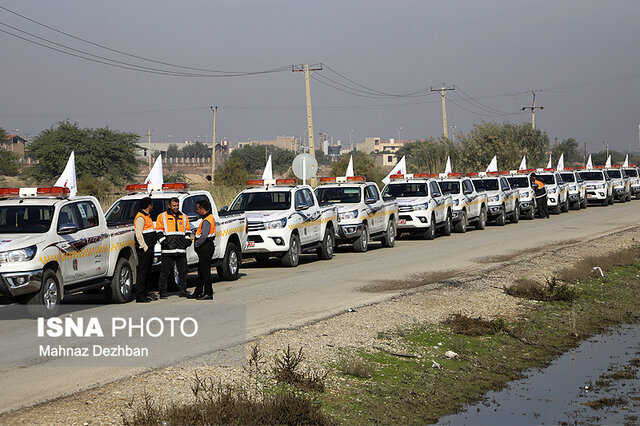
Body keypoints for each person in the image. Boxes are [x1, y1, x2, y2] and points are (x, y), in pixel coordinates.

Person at [156, 197, 192, 298]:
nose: (176, 207)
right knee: (164, 272)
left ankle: (183, 290)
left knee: (183, 271)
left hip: (181, 249)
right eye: (174, 206)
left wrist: (187, 241)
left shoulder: (184, 217)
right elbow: (159, 231)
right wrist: (164, 243)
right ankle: (162, 292)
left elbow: (187, 231)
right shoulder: (162, 216)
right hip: (168, 250)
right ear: (169, 206)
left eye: (177, 206)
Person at [190, 199, 216, 300]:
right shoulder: (208, 218)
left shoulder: (207, 220)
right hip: (206, 246)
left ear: (202, 209)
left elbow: (204, 236)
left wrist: (197, 244)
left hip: (205, 247)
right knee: (201, 271)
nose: (197, 211)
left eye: (198, 209)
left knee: (205, 272)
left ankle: (208, 293)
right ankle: (198, 291)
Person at [133, 197, 157, 303]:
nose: (152, 206)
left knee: (148, 272)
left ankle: (146, 293)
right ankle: (140, 295)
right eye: (152, 204)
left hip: (150, 248)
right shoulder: (140, 217)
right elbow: (138, 235)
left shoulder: (147, 216)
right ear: (149, 206)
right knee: (143, 272)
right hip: (144, 250)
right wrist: (145, 247)